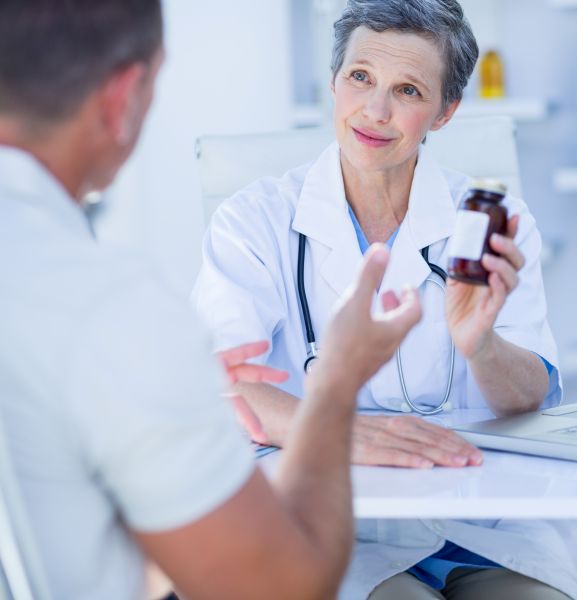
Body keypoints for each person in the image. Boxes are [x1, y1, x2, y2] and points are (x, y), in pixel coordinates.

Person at [0, 1, 423, 599]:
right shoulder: (110, 306)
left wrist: (158, 420)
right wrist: (334, 385)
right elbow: (283, 589)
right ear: (124, 98)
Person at [191, 1, 577, 598]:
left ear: (445, 111)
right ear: (334, 81)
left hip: (480, 522)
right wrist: (336, 429)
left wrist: (480, 346)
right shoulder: (254, 221)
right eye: (360, 78)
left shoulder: (489, 222)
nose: (375, 111)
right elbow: (219, 384)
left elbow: (531, 396)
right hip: (331, 522)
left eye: (407, 90)